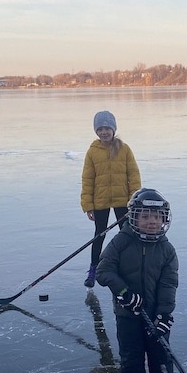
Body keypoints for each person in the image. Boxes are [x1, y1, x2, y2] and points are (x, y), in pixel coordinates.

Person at [96, 188, 178, 373]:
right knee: (131, 354)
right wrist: (123, 291)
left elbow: (168, 285)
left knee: (160, 351)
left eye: (156, 216)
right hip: (127, 313)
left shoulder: (166, 249)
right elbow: (103, 271)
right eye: (144, 216)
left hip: (154, 314)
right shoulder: (121, 242)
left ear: (164, 219)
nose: (151, 221)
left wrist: (165, 314)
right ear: (134, 217)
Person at [80, 110, 142, 287]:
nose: (104, 132)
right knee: (99, 235)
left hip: (123, 201)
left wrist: (134, 199)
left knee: (126, 234)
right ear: (96, 131)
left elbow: (134, 175)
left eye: (107, 128)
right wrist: (88, 205)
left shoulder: (124, 149)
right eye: (100, 129)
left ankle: (128, 267)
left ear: (113, 129)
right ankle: (93, 269)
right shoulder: (92, 152)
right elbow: (87, 179)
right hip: (100, 201)